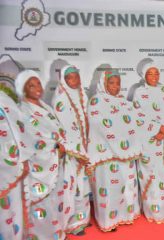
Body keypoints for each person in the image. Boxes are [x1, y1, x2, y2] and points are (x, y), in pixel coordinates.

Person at [87, 69, 164, 231]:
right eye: (111, 82)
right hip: (107, 155)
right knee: (109, 189)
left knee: (126, 185)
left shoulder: (123, 103)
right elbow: (99, 125)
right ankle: (109, 221)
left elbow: (138, 120)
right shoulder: (96, 102)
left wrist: (158, 127)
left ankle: (126, 216)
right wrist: (121, 138)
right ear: (103, 83)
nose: (115, 86)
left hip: (125, 155)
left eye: (118, 83)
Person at [15, 70, 68, 240]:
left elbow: (57, 130)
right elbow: (29, 139)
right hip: (38, 167)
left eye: (38, 83)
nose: (37, 88)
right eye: (31, 85)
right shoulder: (22, 110)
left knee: (55, 202)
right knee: (41, 204)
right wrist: (55, 146)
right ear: (23, 89)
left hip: (55, 162)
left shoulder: (45, 106)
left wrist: (60, 145)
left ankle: (56, 233)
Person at [133, 58, 164, 223]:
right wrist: (156, 130)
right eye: (150, 73)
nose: (154, 76)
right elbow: (138, 118)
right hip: (150, 142)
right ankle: (154, 211)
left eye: (156, 73)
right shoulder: (140, 93)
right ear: (144, 75)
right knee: (152, 176)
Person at [51, 65, 91, 235]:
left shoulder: (82, 95)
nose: (75, 80)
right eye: (70, 78)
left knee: (83, 188)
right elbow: (64, 130)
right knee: (72, 188)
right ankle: (72, 224)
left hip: (84, 151)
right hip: (71, 154)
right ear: (64, 80)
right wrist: (78, 153)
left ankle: (83, 219)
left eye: (77, 76)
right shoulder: (61, 100)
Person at [0, 80, 33, 240]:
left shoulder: (5, 99)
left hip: (13, 166)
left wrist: (23, 159)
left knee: (13, 212)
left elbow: (20, 131)